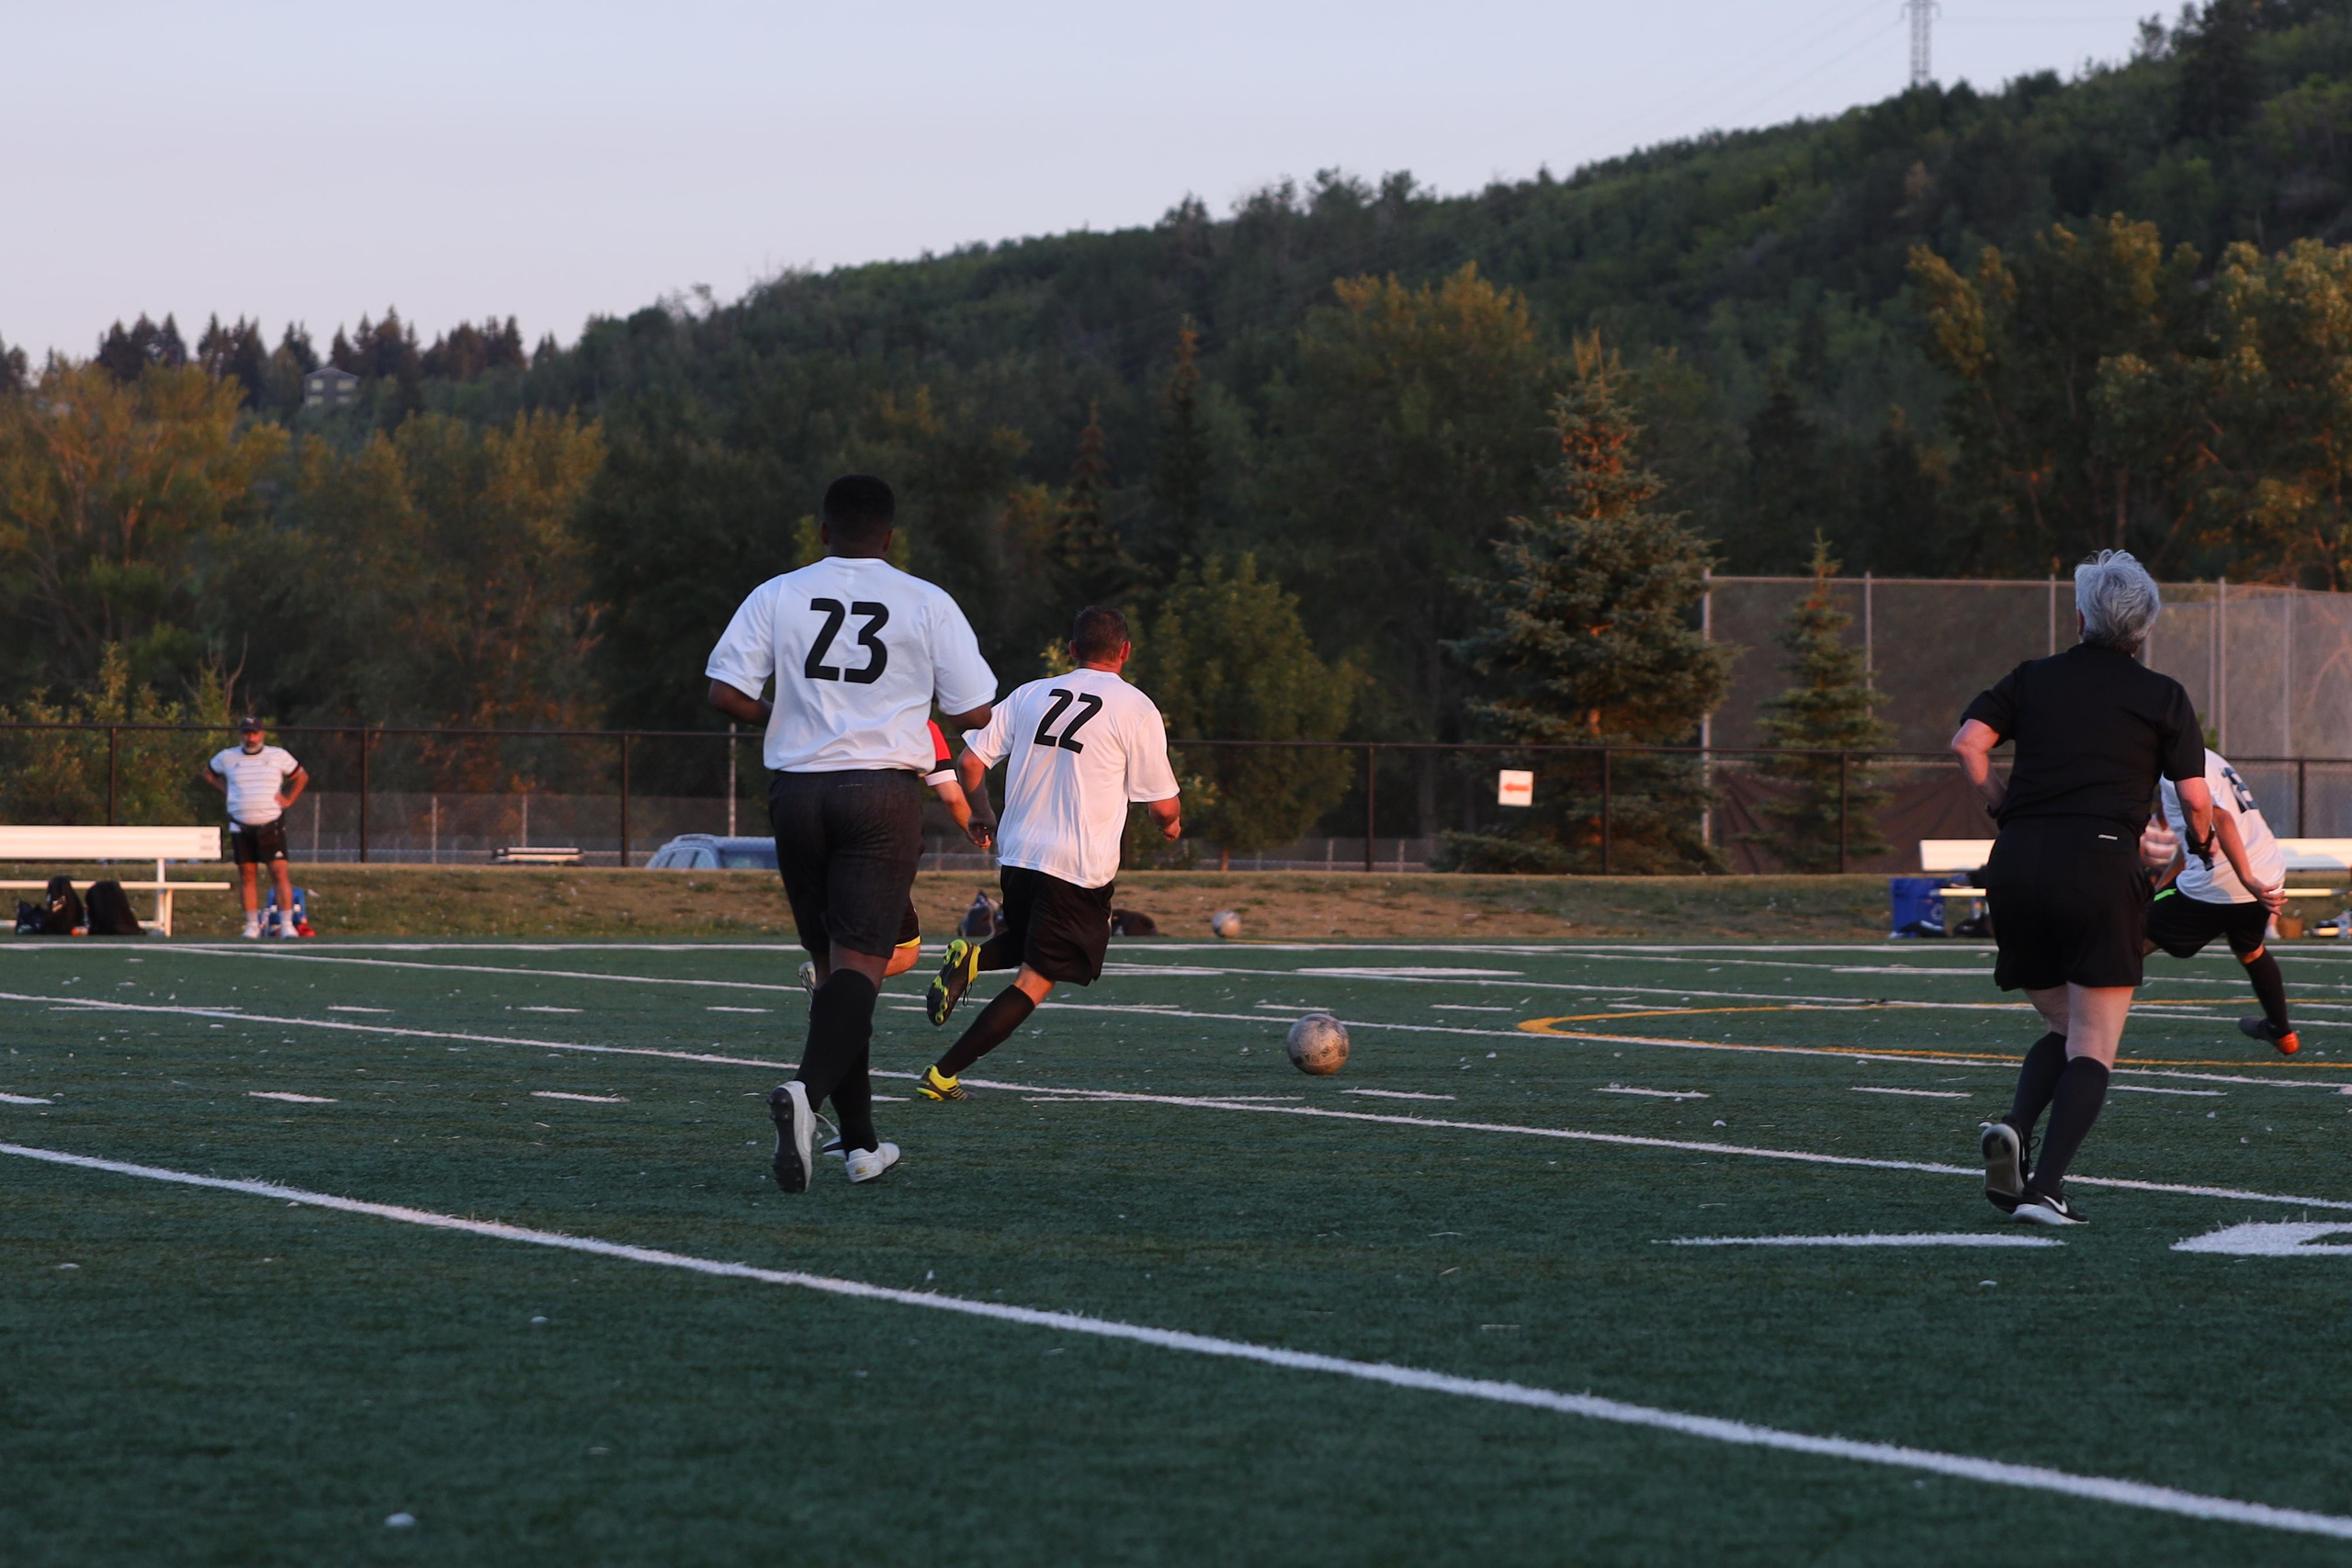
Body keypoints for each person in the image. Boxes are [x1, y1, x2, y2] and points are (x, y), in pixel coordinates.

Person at [1951, 550, 2273, 1227]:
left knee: (2063, 1024)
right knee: (2093, 1044)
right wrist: (2206, 847)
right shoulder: (2163, 696)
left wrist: (2005, 807)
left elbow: (1968, 745)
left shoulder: (2032, 678)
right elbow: (2195, 800)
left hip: (2014, 863)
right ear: (2145, 627)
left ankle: (2014, 1125)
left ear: (2080, 615)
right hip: (2098, 866)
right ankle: (2045, 1187)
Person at [705, 474, 996, 1192]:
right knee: (862, 968)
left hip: (798, 793)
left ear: (823, 529)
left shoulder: (777, 592)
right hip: (880, 792)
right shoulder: (927, 599)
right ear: (891, 537)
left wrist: (788, 713)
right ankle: (806, 1094)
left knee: (838, 969)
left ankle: (860, 1143)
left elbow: (725, 692)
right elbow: (976, 712)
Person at [918, 605, 1181, 1100]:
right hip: (1077, 866)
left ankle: (970, 961)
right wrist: (1171, 825)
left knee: (1029, 941)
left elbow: (970, 763)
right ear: (1125, 652)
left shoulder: (1030, 693)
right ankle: (942, 1075)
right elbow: (1162, 805)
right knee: (1037, 978)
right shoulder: (1136, 707)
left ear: (1072, 650)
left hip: (1018, 855)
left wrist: (982, 813)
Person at [796, 719, 992, 998]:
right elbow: (951, 797)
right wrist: (981, 831)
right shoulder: (921, 724)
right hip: (881, 839)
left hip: (820, 830)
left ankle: (828, 994)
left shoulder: (838, 713)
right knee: (905, 952)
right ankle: (829, 981)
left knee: (845, 939)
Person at [2136, 751, 2298, 1054]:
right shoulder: (2210, 757)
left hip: (2229, 878)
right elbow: (2193, 840)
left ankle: (2079, 1010)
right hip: (2268, 871)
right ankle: (2282, 1031)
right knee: (2249, 950)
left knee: (2134, 937)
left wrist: (2246, 878)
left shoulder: (2174, 768)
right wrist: (2161, 890)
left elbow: (2217, 816)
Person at [199, 717, 309, 940]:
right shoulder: (227, 757)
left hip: (271, 823)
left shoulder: (278, 755)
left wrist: (289, 799)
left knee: (279, 872)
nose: (251, 738)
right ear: (241, 734)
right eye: (247, 733)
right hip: (240, 825)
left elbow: (301, 776)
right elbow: (208, 773)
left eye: (255, 733)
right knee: (247, 875)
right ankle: (252, 924)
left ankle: (287, 924)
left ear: (262, 734)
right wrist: (226, 791)